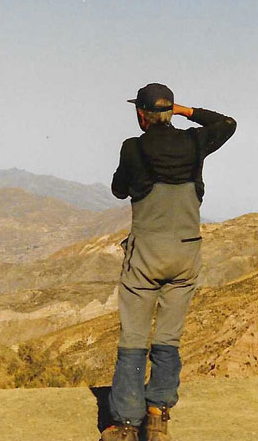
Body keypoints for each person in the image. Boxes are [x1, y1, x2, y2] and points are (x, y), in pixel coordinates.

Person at [100, 83, 236, 441]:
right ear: (169, 112)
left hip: (146, 255)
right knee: (168, 337)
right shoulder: (195, 143)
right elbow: (227, 123)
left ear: (141, 115)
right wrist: (185, 111)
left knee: (133, 338)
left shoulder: (133, 148)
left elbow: (118, 189)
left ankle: (128, 424)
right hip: (186, 254)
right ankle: (158, 417)